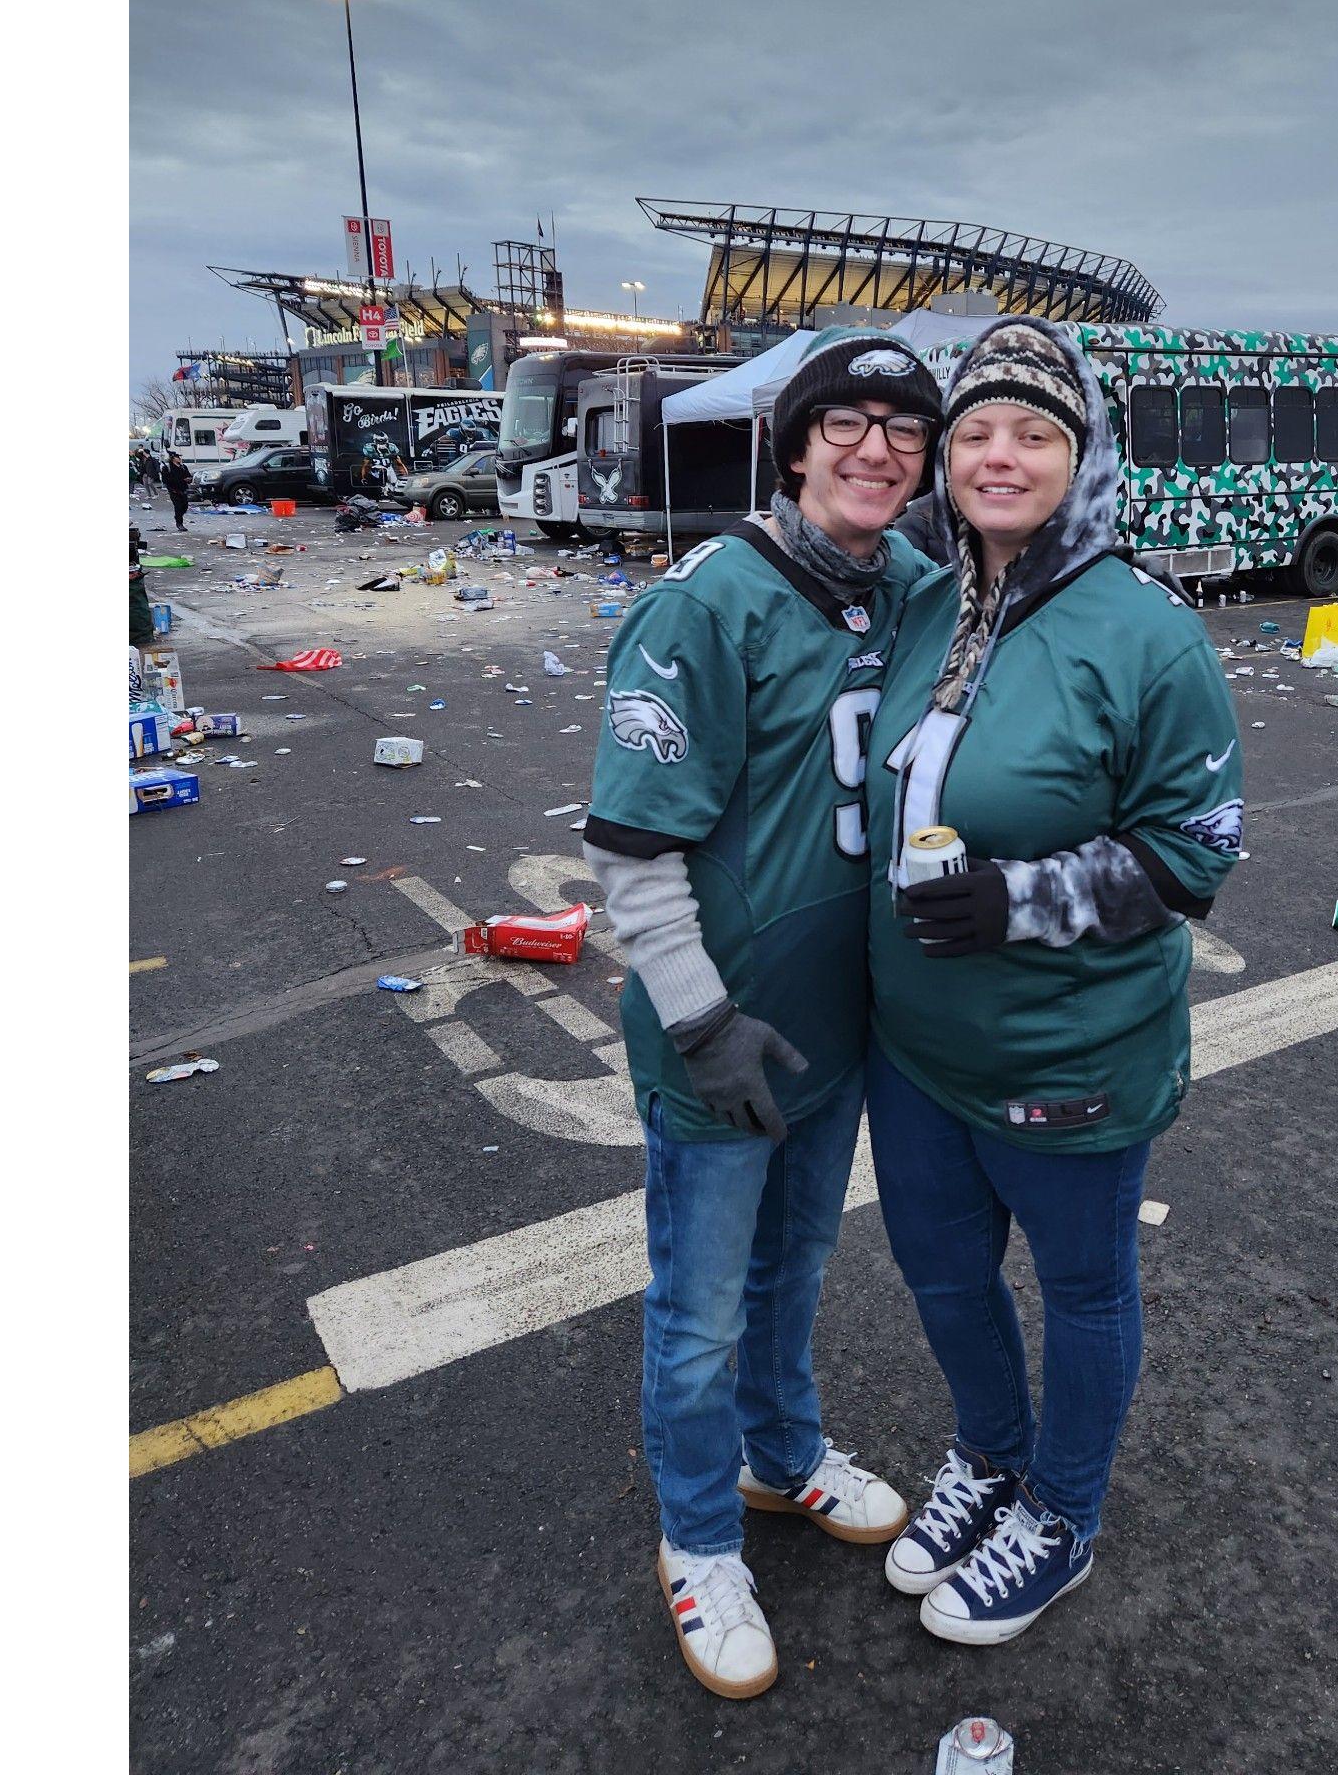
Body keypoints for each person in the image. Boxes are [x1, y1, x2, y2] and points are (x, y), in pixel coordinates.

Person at [862, 317, 1243, 1645]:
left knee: (1083, 1293)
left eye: (1033, 432)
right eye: (974, 433)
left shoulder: (1147, 631)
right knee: (943, 1276)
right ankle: (990, 1457)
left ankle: (1063, 1512)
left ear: (1083, 457)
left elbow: (1197, 854)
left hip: (1068, 1049)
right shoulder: (921, 597)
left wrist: (1024, 901)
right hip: (915, 1045)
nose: (999, 456)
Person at [581, 332, 946, 1700]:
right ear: (793, 448)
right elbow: (629, 841)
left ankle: (779, 1457)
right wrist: (696, 1017)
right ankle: (695, 1537)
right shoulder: (705, 601)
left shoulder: (913, 585)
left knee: (796, 1271)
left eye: (904, 431)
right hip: (725, 1031)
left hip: (842, 1022)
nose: (876, 448)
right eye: (845, 424)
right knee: (698, 1309)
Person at [161, 449, 193, 531]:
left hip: (183, 490)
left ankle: (178, 516)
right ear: (172, 458)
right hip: (174, 491)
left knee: (184, 507)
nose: (179, 458)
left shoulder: (183, 467)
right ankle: (179, 523)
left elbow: (188, 476)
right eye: (177, 457)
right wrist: (179, 481)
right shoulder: (167, 468)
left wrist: (189, 479)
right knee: (178, 507)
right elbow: (165, 480)